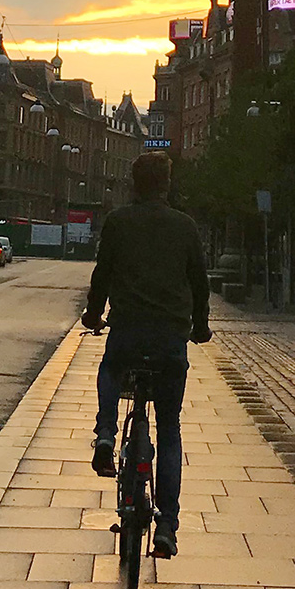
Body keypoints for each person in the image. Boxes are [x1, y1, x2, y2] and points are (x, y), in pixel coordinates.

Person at [81, 151, 210, 560]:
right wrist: (200, 325)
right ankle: (167, 525)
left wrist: (93, 313)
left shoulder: (118, 222)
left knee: (111, 368)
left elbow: (103, 273)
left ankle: (105, 433)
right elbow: (200, 283)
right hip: (171, 338)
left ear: (134, 185)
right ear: (166, 185)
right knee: (169, 428)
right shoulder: (185, 226)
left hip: (129, 331)